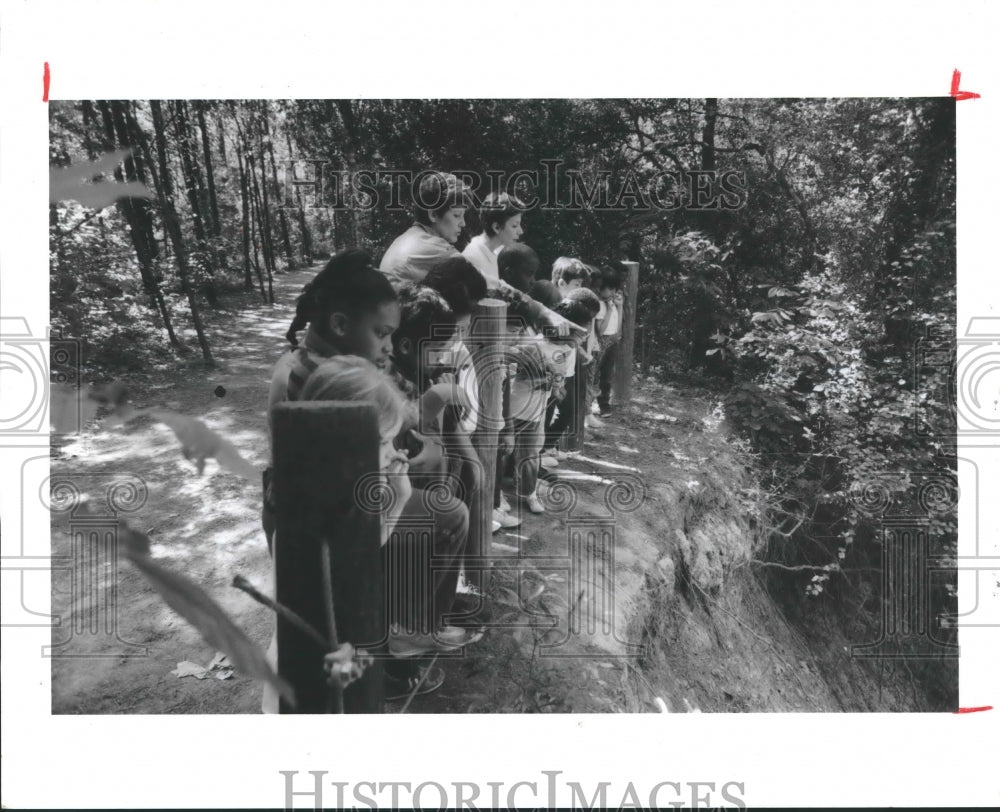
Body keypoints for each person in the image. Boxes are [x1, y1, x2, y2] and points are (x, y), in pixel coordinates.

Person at [379, 172, 474, 287]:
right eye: (457, 215)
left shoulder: (406, 238)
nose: (463, 224)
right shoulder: (437, 248)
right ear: (433, 215)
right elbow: (477, 280)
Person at [540, 293, 601, 470]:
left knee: (568, 411)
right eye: (582, 331)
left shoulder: (568, 344)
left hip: (566, 377)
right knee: (545, 416)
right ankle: (539, 454)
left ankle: (546, 446)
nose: (586, 334)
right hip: (548, 386)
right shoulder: (545, 347)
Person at [462, 192, 524, 285]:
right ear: (496, 228)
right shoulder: (473, 258)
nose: (521, 231)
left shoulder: (494, 252)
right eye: (514, 226)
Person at [590, 264, 625, 419]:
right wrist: (610, 310)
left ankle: (604, 405)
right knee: (594, 375)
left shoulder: (613, 304)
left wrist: (620, 306)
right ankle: (588, 407)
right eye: (608, 289)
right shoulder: (599, 305)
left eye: (614, 289)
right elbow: (601, 330)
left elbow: (617, 329)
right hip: (601, 342)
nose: (612, 293)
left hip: (613, 342)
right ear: (600, 287)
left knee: (607, 376)